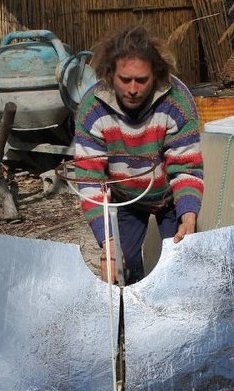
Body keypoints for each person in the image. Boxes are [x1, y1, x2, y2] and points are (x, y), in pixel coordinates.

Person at [74, 25, 204, 284]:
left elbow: (186, 166)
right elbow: (90, 180)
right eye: (125, 79)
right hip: (126, 198)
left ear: (155, 75)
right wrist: (107, 241)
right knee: (124, 270)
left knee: (178, 268)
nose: (133, 89)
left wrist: (189, 215)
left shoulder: (176, 101)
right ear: (109, 74)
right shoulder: (93, 109)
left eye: (142, 80)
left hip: (170, 197)